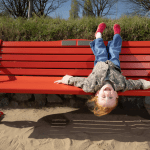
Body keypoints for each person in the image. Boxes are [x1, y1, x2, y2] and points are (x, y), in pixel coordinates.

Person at [54, 22, 150, 117]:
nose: (107, 93)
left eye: (103, 96)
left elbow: (80, 82)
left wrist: (67, 80)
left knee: (101, 50)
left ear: (97, 93)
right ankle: (117, 34)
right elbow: (134, 84)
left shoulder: (90, 86)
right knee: (115, 50)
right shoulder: (121, 85)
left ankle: (98, 35)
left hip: (100, 63)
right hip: (114, 64)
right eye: (111, 97)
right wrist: (145, 84)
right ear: (116, 95)